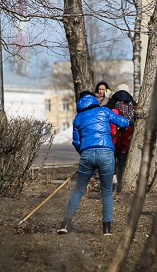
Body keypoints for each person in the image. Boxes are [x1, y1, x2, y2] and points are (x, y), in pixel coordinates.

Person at [57, 91, 129, 236]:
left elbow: (76, 142)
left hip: (87, 154)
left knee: (78, 191)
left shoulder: (78, 119)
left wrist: (84, 154)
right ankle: (107, 229)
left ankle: (65, 224)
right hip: (107, 153)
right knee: (107, 191)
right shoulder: (104, 111)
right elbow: (124, 123)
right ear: (94, 100)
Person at [106, 84, 136, 193]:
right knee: (122, 162)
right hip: (127, 136)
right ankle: (121, 184)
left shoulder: (112, 102)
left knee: (111, 161)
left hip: (113, 136)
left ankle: (111, 184)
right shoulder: (132, 102)